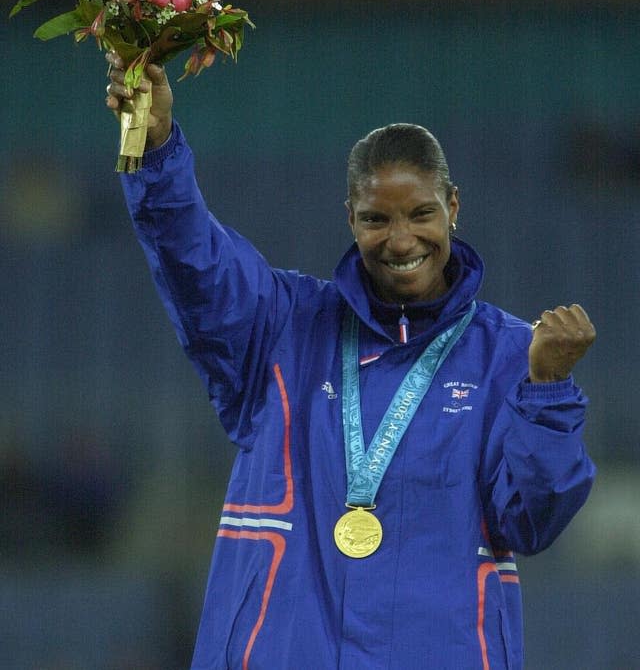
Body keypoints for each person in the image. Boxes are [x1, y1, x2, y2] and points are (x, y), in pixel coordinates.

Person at [105, 53, 596, 670]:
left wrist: (548, 389)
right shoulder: (282, 326)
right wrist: (153, 153)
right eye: (376, 219)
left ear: (453, 206)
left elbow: (532, 523)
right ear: (350, 220)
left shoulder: (510, 356)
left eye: (421, 214)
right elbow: (193, 261)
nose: (400, 240)